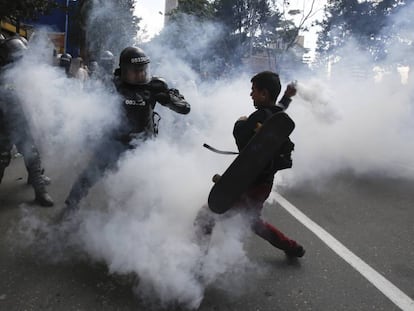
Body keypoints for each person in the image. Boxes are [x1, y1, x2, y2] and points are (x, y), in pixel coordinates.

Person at [59, 46, 191, 218]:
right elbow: (92, 112)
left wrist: (172, 98)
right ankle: (72, 204)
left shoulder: (155, 86)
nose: (140, 75)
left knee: (152, 181)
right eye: (135, 71)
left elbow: (184, 109)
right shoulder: (112, 85)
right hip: (114, 142)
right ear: (123, 71)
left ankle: (152, 216)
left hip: (143, 145)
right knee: (91, 173)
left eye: (143, 70)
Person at [194, 71, 305, 258]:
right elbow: (278, 110)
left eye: (254, 90)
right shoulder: (275, 117)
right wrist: (286, 97)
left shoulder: (256, 118)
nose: (251, 94)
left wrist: (240, 122)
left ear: (264, 94)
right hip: (264, 184)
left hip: (247, 184)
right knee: (253, 222)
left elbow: (241, 140)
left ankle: (197, 262)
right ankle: (293, 248)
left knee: (206, 216)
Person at [0, 36, 54, 207]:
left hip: (20, 120)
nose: (21, 62)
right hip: (3, 124)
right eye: (17, 58)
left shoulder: (21, 73)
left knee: (32, 154)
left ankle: (40, 192)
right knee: (2, 158)